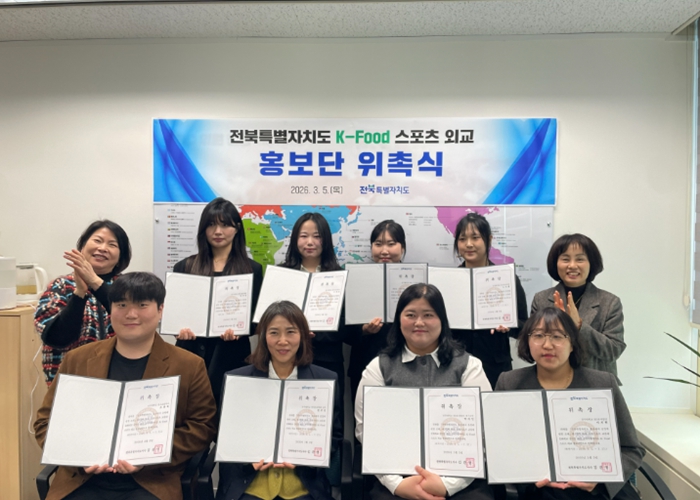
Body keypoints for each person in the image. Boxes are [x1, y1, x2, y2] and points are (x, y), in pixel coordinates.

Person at [34, 272, 217, 500]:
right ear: (111, 309)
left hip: (151, 481)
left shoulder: (188, 365)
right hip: (83, 478)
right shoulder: (78, 359)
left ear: (160, 310)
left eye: (142, 305)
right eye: (121, 305)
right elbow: (45, 422)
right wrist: (78, 456)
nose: (131, 314)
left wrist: (148, 456)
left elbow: (202, 426)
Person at [355, 283, 494, 500]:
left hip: (461, 477)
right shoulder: (378, 367)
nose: (419, 322)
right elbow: (366, 430)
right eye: (410, 315)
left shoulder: (469, 366)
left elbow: (486, 430)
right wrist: (396, 484)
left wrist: (448, 485)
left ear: (442, 320)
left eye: (428, 315)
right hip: (397, 477)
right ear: (399, 319)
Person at [495, 307, 643, 500]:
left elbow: (631, 449)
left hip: (594, 491)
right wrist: (527, 476)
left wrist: (601, 480)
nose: (547, 345)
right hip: (537, 490)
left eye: (557, 337)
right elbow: (498, 449)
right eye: (538, 335)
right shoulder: (509, 383)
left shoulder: (602, 383)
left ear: (572, 343)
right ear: (527, 341)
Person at [216, 301, 341, 500]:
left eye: (291, 332)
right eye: (274, 333)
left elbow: (334, 436)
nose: (283, 341)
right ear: (263, 337)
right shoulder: (239, 380)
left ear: (303, 335)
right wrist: (247, 460)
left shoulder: (324, 380)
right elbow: (227, 434)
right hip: (250, 483)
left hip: (303, 484)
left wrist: (305, 458)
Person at [173, 197, 263, 403]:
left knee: (229, 410)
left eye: (225, 225)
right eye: (211, 224)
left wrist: (241, 330)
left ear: (237, 228)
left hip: (231, 352)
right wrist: (178, 328)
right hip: (191, 350)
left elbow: (257, 317)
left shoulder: (252, 269)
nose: (218, 231)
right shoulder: (184, 267)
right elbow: (176, 312)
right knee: (189, 411)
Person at [36, 219, 132, 386]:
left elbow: (132, 318)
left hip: (120, 377)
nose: (103, 248)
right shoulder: (61, 286)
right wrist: (79, 294)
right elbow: (56, 338)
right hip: (71, 379)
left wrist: (94, 281)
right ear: (82, 247)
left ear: (120, 257)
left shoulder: (128, 288)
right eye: (97, 240)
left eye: (112, 244)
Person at [530, 234, 624, 380]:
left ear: (591, 263)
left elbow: (613, 351)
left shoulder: (610, 302)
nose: (572, 265)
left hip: (596, 383)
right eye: (565, 259)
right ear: (555, 263)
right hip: (552, 380)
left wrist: (579, 326)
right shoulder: (541, 300)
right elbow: (532, 345)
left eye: (580, 259)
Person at [450, 213, 528, 388]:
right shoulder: (450, 280)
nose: (468, 244)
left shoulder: (507, 278)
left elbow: (525, 326)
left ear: (489, 239)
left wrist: (509, 326)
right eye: (462, 239)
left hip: (495, 366)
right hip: (455, 364)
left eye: (475, 237)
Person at [279, 212, 347, 405]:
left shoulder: (339, 276)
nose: (310, 242)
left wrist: (318, 334)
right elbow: (271, 318)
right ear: (295, 239)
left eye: (317, 236)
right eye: (304, 236)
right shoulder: (281, 273)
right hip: (288, 359)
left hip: (328, 357)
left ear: (326, 240)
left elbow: (345, 324)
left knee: (329, 411)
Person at [347, 219, 407, 401]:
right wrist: (363, 330)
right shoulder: (356, 280)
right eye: (378, 244)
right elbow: (343, 328)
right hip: (365, 360)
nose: (384, 250)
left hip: (405, 363)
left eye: (391, 243)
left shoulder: (415, 280)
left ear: (402, 248)